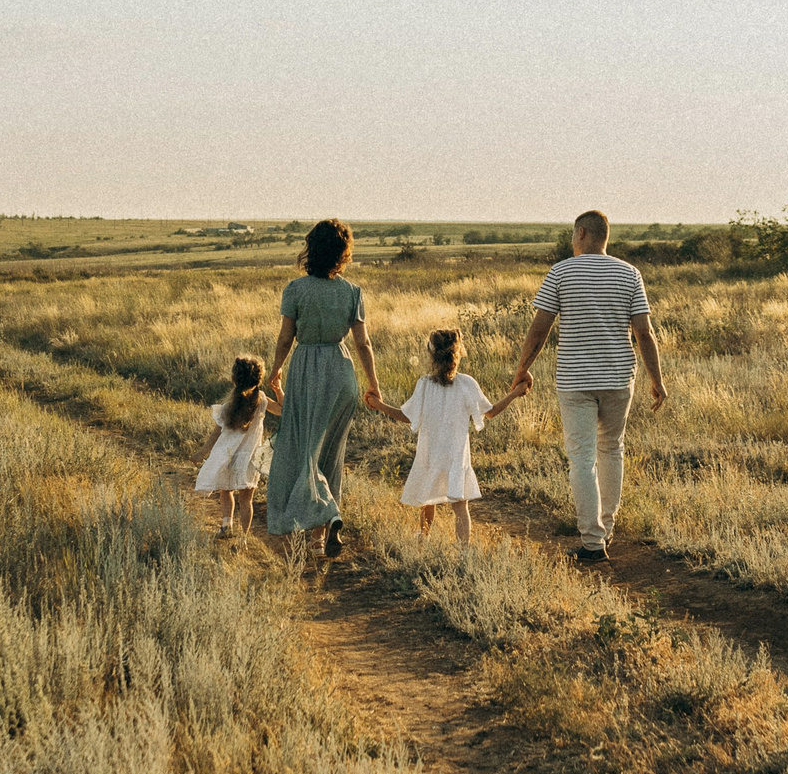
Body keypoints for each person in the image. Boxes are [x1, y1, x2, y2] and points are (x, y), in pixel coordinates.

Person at [511, 209, 667, 563]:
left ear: (581, 233)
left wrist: (522, 369)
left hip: (575, 380)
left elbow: (540, 327)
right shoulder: (630, 273)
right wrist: (656, 380)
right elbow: (644, 332)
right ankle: (606, 528)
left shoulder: (561, 272)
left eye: (573, 234)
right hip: (618, 378)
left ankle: (593, 541)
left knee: (581, 457)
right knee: (612, 449)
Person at [261, 218, 386, 559]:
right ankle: (319, 538)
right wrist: (373, 384)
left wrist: (276, 369)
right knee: (331, 452)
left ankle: (329, 513)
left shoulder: (295, 289)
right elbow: (363, 344)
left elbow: (285, 338)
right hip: (341, 372)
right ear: (343, 253)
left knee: (305, 450)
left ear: (311, 249)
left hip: (307, 370)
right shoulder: (352, 292)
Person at [384, 327, 526, 548]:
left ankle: (423, 540)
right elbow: (491, 412)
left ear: (432, 355)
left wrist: (379, 405)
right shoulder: (466, 383)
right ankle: (463, 552)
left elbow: (406, 416)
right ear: (458, 354)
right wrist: (515, 393)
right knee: (460, 507)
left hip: (431, 454)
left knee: (427, 501)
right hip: (456, 456)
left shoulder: (424, 384)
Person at [195, 356, 272, 537]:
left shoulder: (229, 406)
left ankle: (226, 526)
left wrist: (202, 452)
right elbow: (283, 410)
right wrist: (278, 389)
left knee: (226, 490)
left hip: (229, 455)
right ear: (258, 380)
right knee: (246, 500)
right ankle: (243, 538)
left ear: (233, 379)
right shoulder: (261, 400)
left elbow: (215, 434)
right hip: (250, 458)